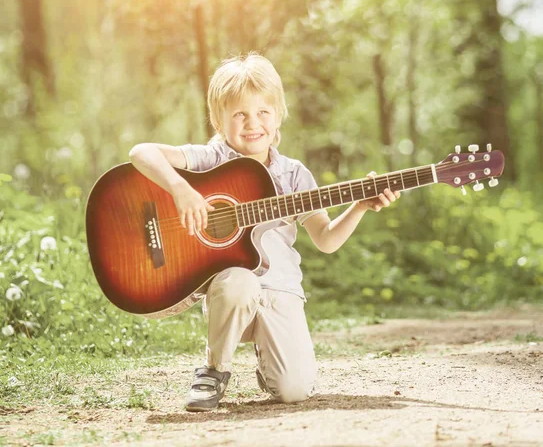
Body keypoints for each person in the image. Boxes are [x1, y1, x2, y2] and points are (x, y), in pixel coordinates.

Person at [128, 53, 400, 412]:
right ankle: (214, 369)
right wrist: (181, 190)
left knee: (294, 390)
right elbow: (141, 152)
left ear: (278, 117)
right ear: (219, 120)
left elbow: (327, 239)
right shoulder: (212, 158)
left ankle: (268, 362)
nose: (252, 123)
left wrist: (360, 206)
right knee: (241, 280)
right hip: (233, 296)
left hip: (281, 292)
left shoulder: (293, 175)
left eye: (262, 113)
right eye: (239, 114)